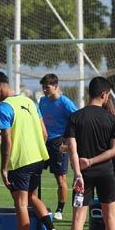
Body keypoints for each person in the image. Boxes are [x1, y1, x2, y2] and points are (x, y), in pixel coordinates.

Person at [51, 76, 115, 230]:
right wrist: (94, 161)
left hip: (83, 175)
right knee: (110, 215)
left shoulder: (76, 117)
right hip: (106, 173)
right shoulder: (112, 119)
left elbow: (72, 149)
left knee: (78, 217)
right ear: (104, 95)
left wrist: (78, 172)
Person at [0, 72, 60, 230]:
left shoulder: (4, 107)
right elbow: (44, 133)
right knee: (32, 197)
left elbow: (7, 140)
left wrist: (4, 167)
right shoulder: (28, 101)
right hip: (38, 158)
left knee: (21, 204)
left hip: (20, 161)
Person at [37, 74, 78, 221]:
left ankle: (59, 209)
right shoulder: (42, 101)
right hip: (43, 143)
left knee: (60, 178)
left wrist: (67, 142)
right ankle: (36, 205)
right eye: (43, 87)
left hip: (58, 143)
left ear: (55, 86)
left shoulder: (66, 103)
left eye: (47, 87)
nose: (44, 90)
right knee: (35, 173)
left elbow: (78, 120)